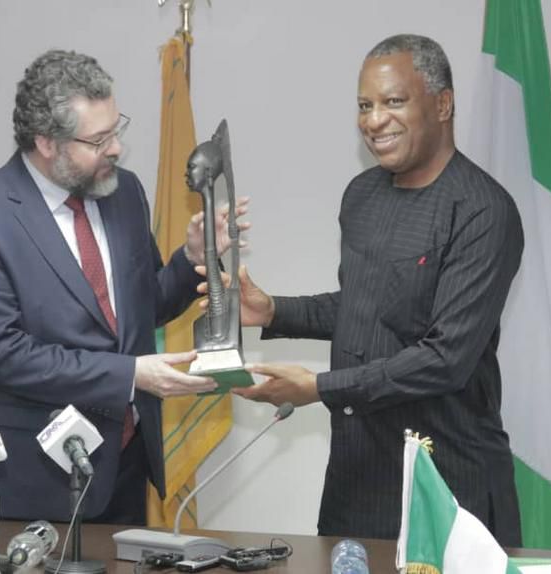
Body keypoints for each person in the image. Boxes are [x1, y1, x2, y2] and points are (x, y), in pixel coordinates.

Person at [222, 34, 524, 544]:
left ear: (443, 104)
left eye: (393, 102)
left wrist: (319, 388)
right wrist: (274, 311)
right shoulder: (361, 196)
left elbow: (445, 357)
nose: (374, 120)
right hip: (357, 483)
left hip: (449, 485)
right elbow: (366, 308)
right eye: (365, 105)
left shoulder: (482, 210)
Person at [0, 49, 246, 524]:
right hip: (35, 480)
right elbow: (3, 353)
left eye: (116, 130)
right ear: (46, 142)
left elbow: (140, 311)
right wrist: (129, 375)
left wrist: (192, 259)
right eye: (98, 141)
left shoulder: (125, 193)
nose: (117, 150)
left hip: (125, 465)